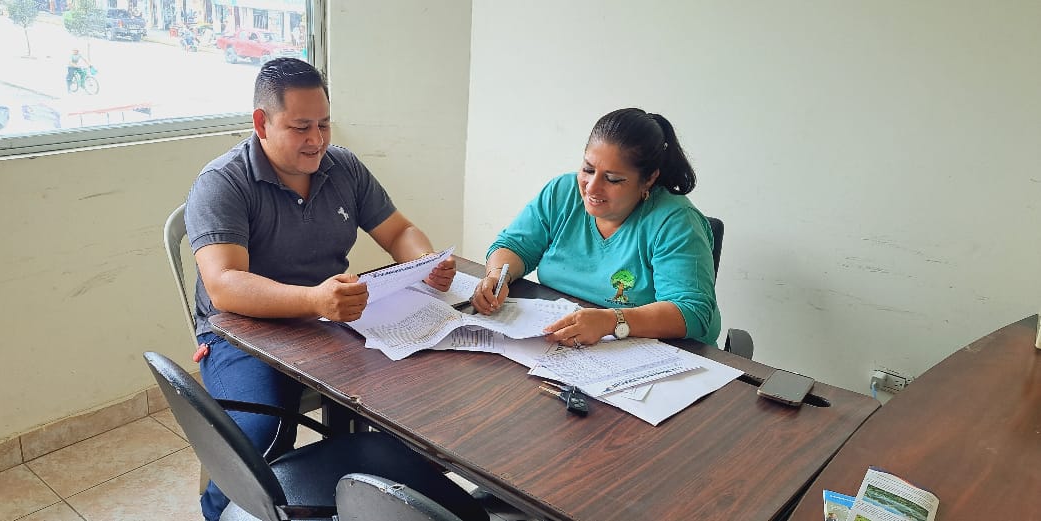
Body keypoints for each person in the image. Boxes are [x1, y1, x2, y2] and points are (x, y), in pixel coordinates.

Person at [183, 57, 456, 521]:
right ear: (261, 123)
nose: (317, 140)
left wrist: (425, 262)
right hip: (242, 332)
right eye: (301, 127)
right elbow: (225, 285)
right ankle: (220, 511)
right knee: (260, 432)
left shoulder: (342, 167)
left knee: (416, 397)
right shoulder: (222, 182)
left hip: (331, 320)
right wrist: (312, 300)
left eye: (324, 124)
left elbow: (398, 231)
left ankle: (368, 500)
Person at [471, 108, 720, 347]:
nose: (591, 187)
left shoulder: (677, 222)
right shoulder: (562, 193)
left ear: (649, 178)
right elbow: (514, 246)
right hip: (565, 341)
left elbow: (691, 311)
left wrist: (611, 321)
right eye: (588, 169)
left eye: (612, 179)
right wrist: (497, 276)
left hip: (660, 351)